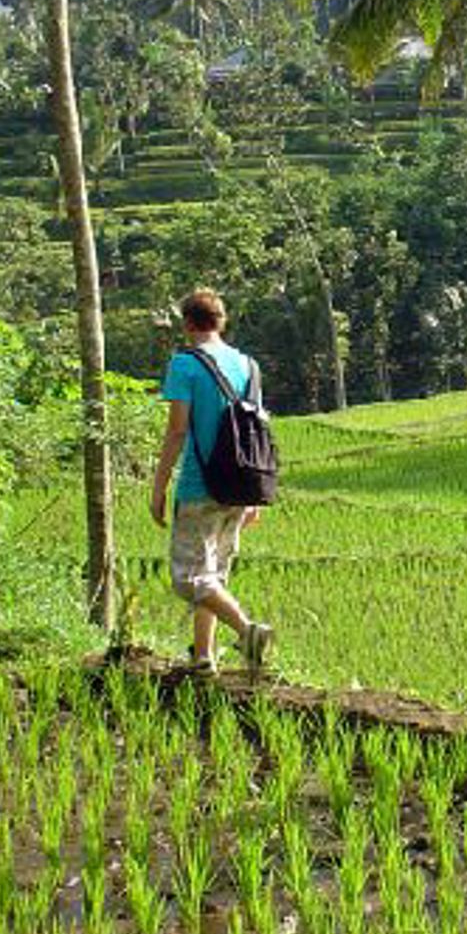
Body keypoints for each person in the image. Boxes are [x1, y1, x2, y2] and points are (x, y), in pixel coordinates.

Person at [150, 288, 274, 673]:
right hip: (240, 486)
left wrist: (158, 488)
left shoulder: (184, 364)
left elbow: (176, 431)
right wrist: (253, 495)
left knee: (189, 577)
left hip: (200, 487)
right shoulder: (249, 365)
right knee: (214, 574)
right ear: (221, 322)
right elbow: (256, 429)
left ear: (188, 324)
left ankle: (247, 629)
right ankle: (203, 657)